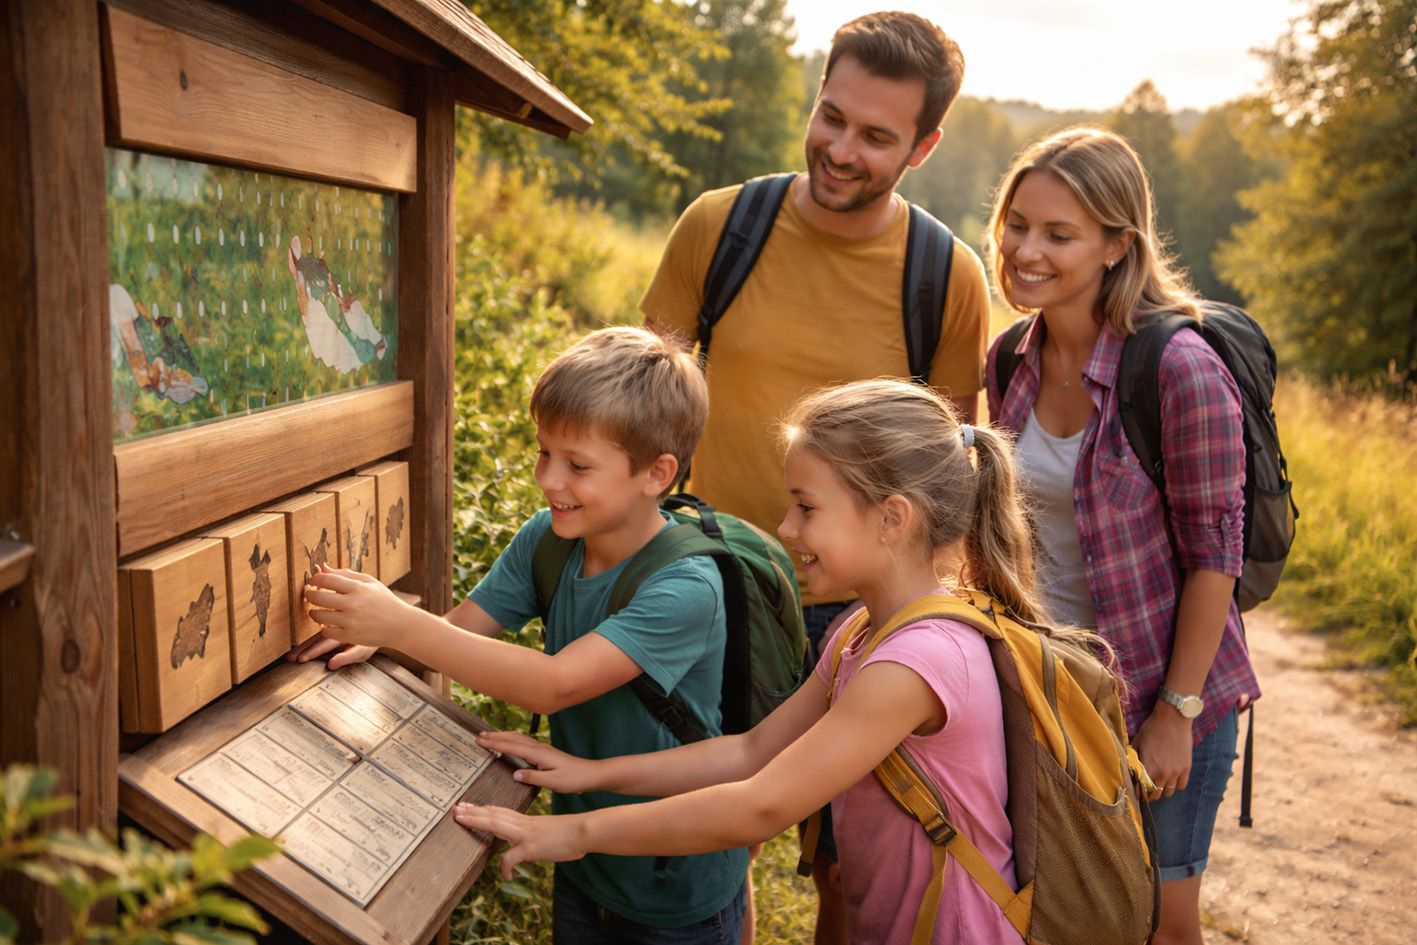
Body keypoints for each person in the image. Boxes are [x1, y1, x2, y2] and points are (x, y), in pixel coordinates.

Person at [454, 378, 1096, 945]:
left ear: (892, 519)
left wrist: (576, 833)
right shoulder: (864, 631)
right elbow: (750, 751)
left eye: (807, 507)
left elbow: (762, 804)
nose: (786, 528)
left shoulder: (917, 661)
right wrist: (589, 773)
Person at [640, 14, 990, 938]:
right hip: (711, 581)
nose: (839, 149)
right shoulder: (720, 226)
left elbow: (944, 468)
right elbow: (642, 408)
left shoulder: (944, 275)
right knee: (711, 832)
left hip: (859, 603)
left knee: (850, 859)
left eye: (875, 136)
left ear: (924, 145)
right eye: (829, 116)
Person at [297, 327, 749, 945]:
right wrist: (380, 635)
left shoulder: (685, 587)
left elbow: (554, 686)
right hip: (578, 857)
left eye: (578, 465)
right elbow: (459, 633)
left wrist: (402, 623)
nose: (549, 479)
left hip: (673, 881)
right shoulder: (548, 540)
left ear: (656, 473)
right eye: (544, 453)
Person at [981, 127, 1261, 945]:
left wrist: (1173, 711)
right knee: (1064, 908)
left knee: (1161, 924)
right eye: (1016, 223)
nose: (1025, 250)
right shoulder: (1010, 361)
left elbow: (1216, 559)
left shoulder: (1177, 368)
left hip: (1157, 694)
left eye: (1057, 234)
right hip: (1049, 689)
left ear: (1116, 245)